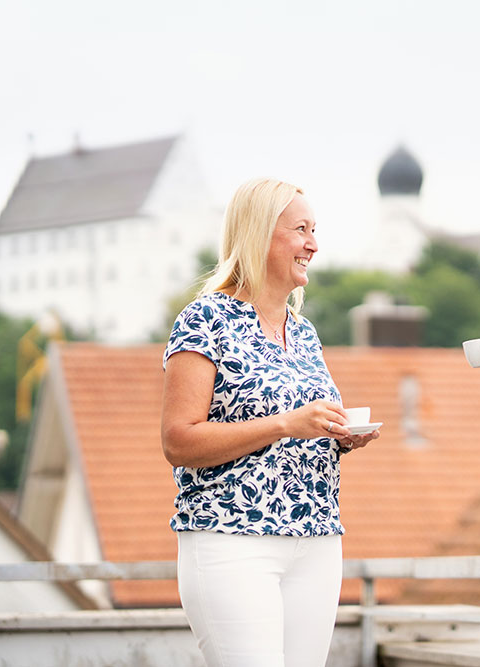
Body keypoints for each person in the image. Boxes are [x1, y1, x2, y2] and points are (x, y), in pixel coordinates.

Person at [161, 178, 379, 667]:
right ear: (259, 233)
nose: (313, 244)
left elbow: (303, 426)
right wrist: (284, 424)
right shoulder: (204, 320)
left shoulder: (303, 332)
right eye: (301, 229)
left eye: (314, 230)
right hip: (232, 539)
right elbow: (178, 441)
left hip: (317, 539)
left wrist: (339, 436)